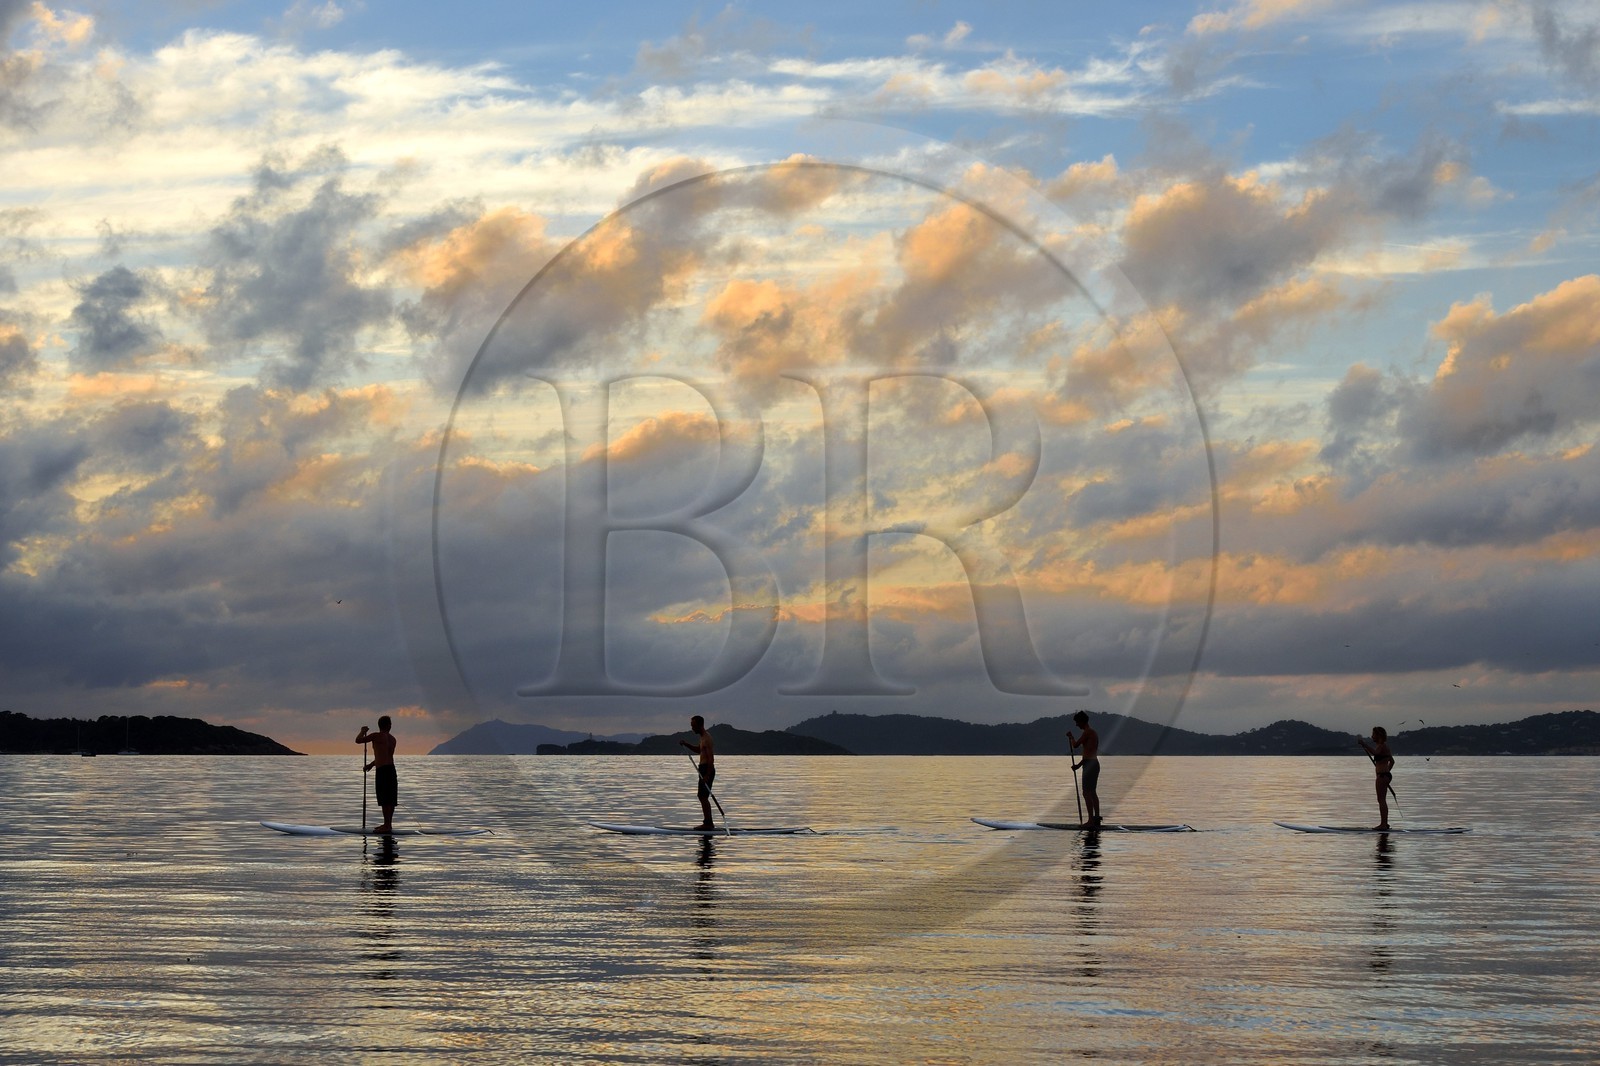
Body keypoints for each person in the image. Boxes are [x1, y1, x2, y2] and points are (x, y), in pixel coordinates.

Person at [356, 716, 398, 834]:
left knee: (385, 798)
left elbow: (358, 740)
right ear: (388, 725)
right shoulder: (393, 739)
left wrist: (362, 732)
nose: (391, 726)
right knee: (391, 799)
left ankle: (387, 825)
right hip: (391, 770)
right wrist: (370, 765)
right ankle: (388, 824)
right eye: (390, 724)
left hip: (383, 771)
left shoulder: (376, 736)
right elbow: (384, 757)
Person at [678, 714, 716, 830]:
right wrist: (686, 744)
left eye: (693, 726)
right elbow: (698, 750)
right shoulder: (702, 738)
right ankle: (708, 822)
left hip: (707, 769)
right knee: (702, 796)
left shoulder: (707, 738)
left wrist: (707, 775)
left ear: (700, 725)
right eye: (691, 726)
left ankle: (708, 823)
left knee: (703, 796)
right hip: (703, 768)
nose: (692, 728)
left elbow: (711, 759)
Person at [1068, 710, 1101, 826]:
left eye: (1077, 722)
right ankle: (1096, 818)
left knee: (1086, 793)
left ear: (1082, 721)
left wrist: (1071, 737)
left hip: (1090, 765)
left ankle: (1091, 820)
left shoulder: (1088, 732)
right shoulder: (1092, 732)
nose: (1077, 725)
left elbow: (1076, 745)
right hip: (1093, 764)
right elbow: (1088, 752)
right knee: (1092, 792)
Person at [1357, 726, 1394, 830]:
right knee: (1381, 800)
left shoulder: (1382, 746)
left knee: (1381, 800)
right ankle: (1384, 823)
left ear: (1378, 735)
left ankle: (1383, 824)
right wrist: (1387, 772)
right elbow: (1392, 761)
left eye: (1373, 734)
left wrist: (1364, 744)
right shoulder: (1382, 746)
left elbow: (1376, 753)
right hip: (1384, 775)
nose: (1372, 736)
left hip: (1382, 776)